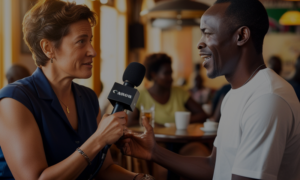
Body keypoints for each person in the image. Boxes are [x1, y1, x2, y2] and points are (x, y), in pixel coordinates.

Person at [119, 0, 300, 180]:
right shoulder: (233, 94)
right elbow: (214, 166)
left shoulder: (266, 99)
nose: (199, 44)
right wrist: (154, 152)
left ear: (241, 35)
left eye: (208, 33)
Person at [0, 0, 150, 179]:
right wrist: (98, 139)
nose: (93, 51)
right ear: (48, 48)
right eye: (81, 41)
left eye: (90, 41)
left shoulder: (88, 97)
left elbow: (105, 168)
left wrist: (141, 178)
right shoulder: (14, 101)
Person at [128, 53, 208, 126]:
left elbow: (202, 115)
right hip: (154, 140)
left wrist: (180, 121)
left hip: (180, 140)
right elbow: (129, 122)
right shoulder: (139, 95)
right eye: (166, 73)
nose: (171, 78)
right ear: (153, 75)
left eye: (171, 73)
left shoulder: (180, 92)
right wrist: (154, 125)